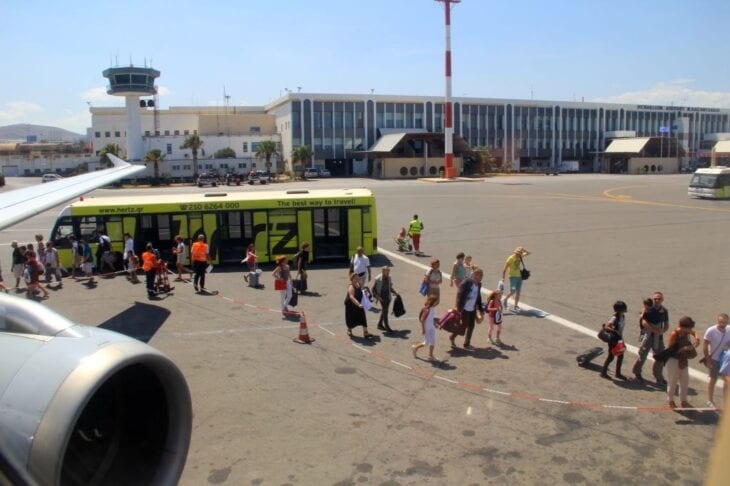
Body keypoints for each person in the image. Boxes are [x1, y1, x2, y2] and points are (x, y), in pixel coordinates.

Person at [632, 291, 669, 385]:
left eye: (659, 299)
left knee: (660, 357)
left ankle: (658, 375)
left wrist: (663, 330)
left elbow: (666, 324)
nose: (657, 300)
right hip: (647, 337)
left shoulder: (664, 310)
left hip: (658, 338)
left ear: (662, 300)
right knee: (642, 355)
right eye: (655, 299)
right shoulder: (647, 309)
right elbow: (644, 323)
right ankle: (637, 373)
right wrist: (656, 330)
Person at [664, 316, 700, 409]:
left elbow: (695, 333)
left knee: (685, 381)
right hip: (673, 361)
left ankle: (683, 401)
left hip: (683, 360)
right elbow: (670, 350)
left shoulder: (686, 331)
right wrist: (685, 349)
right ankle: (670, 400)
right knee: (672, 382)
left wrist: (697, 339)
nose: (690, 329)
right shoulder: (674, 334)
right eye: (689, 327)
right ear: (683, 327)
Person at [702, 313, 730, 408]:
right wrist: (708, 360)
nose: (722, 324)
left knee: (727, 381)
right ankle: (710, 400)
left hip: (725, 359)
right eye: (720, 322)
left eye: (725, 322)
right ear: (717, 321)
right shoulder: (711, 330)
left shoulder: (729, 329)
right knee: (713, 379)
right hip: (714, 359)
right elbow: (705, 346)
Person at [452, 267, 484, 349]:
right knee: (463, 325)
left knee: (471, 326)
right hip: (464, 308)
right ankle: (452, 336)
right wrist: (458, 307)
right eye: (476, 275)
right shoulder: (467, 282)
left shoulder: (479, 285)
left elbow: (478, 297)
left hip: (472, 309)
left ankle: (466, 344)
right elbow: (459, 294)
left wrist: (481, 309)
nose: (478, 277)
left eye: (480, 276)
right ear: (472, 274)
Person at [600, 301, 628, 380]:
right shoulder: (615, 317)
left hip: (619, 339)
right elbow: (607, 326)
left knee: (620, 355)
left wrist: (621, 338)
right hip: (613, 339)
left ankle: (617, 373)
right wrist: (615, 331)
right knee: (611, 356)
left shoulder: (623, 316)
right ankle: (603, 372)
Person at [344, 272, 374, 339]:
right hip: (351, 305)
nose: (357, 278)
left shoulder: (358, 284)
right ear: (352, 279)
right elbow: (351, 297)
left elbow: (361, 291)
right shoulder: (351, 286)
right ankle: (349, 330)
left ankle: (365, 332)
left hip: (359, 304)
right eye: (356, 278)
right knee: (351, 318)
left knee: (362, 317)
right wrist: (359, 304)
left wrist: (368, 296)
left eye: (358, 277)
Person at [502, 246, 530, 311]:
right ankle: (505, 299)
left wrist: (524, 250)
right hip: (513, 277)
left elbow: (528, 253)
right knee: (512, 291)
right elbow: (504, 269)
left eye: (520, 254)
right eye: (518, 254)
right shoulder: (510, 258)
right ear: (515, 253)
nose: (519, 255)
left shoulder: (520, 256)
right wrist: (503, 277)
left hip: (520, 277)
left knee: (518, 292)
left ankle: (516, 305)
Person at [373, 266, 399, 333]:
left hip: (388, 296)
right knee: (385, 311)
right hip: (381, 297)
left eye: (388, 271)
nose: (388, 273)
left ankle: (379, 324)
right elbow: (373, 289)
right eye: (386, 271)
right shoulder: (378, 278)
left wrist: (395, 292)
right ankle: (387, 327)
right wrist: (378, 297)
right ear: (383, 271)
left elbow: (390, 287)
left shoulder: (389, 278)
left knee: (384, 311)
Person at [412, 295, 438, 360]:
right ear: (432, 302)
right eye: (435, 302)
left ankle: (430, 355)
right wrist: (423, 329)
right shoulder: (426, 309)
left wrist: (435, 324)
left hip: (431, 327)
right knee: (426, 343)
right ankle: (415, 347)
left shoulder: (432, 308)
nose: (436, 303)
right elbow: (423, 320)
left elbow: (431, 318)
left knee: (433, 341)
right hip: (427, 328)